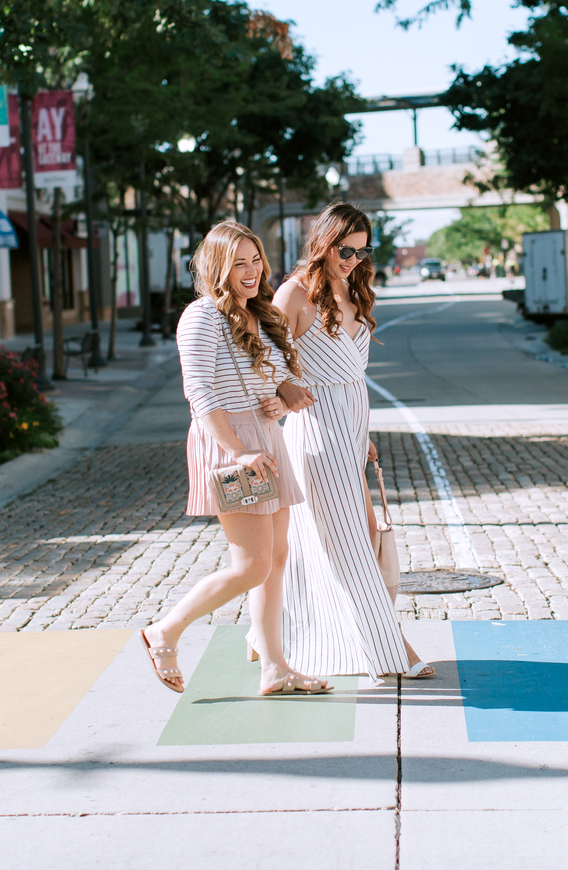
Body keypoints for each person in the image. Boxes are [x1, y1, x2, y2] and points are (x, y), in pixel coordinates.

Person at [140, 221, 332, 696]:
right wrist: (238, 450)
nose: (250, 271)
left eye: (255, 260)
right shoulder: (202, 316)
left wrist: (282, 402)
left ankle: (275, 667)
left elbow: (280, 383)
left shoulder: (261, 313)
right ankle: (164, 631)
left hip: (266, 438)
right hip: (233, 445)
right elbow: (199, 395)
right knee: (251, 565)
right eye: (238, 263)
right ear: (216, 267)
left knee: (277, 558)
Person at [272, 202, 436, 680]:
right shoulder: (294, 294)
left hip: (349, 433)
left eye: (362, 253)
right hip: (317, 434)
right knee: (348, 544)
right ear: (324, 240)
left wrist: (361, 435)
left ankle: (272, 638)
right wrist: (284, 392)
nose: (352, 260)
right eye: (345, 249)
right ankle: (393, 648)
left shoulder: (354, 289)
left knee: (348, 539)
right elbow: (269, 363)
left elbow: (354, 377)